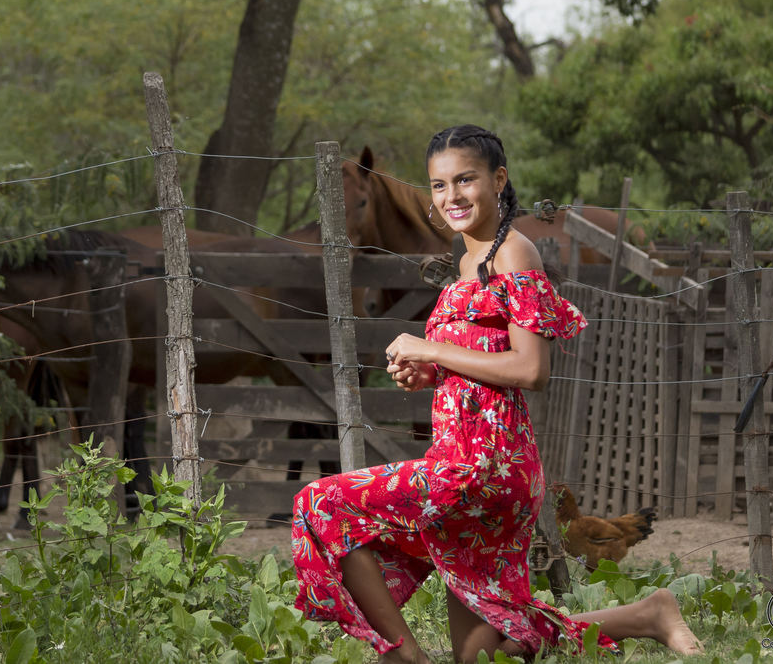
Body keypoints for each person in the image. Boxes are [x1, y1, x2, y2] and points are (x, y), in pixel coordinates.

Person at [291, 125, 704, 663]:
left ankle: (403, 658)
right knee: (485, 654)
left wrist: (433, 350)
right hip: (462, 456)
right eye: (439, 186)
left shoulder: (513, 254)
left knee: (321, 504)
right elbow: (481, 361)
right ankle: (647, 614)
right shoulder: (468, 263)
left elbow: (531, 368)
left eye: (465, 180)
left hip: (485, 465)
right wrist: (426, 371)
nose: (452, 197)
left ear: (498, 179)